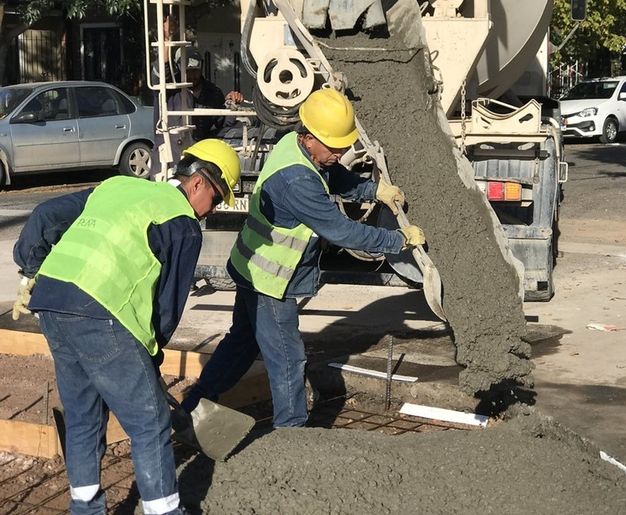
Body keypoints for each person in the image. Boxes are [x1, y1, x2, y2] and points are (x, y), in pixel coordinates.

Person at [12, 139, 241, 515]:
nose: (210, 211)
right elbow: (166, 311)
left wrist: (33, 268)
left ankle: (85, 508)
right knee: (150, 422)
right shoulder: (183, 225)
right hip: (101, 313)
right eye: (215, 200)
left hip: (52, 301)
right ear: (198, 182)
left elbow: (46, 214)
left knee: (84, 416)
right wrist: (150, 354)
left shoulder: (119, 185)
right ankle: (165, 511)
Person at [181, 88, 425, 427]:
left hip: (253, 268)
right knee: (287, 358)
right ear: (309, 137)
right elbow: (343, 231)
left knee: (241, 343)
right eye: (333, 147)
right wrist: (396, 240)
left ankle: (192, 405)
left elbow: (333, 176)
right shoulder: (297, 181)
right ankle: (293, 434)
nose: (339, 154)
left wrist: (373, 190)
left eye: (343, 147)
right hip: (270, 280)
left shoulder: (295, 147)